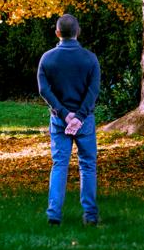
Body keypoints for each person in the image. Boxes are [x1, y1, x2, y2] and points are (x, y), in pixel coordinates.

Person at [37, 13, 101, 226]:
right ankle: (90, 215)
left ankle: (54, 213)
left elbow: (44, 90)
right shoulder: (90, 59)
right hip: (85, 122)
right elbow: (93, 91)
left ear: (57, 33)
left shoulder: (47, 59)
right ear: (78, 31)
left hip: (59, 121)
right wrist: (80, 116)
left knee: (59, 165)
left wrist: (64, 114)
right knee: (88, 166)